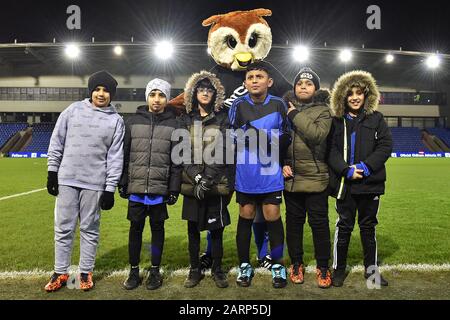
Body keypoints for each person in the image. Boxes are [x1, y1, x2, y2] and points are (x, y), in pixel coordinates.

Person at [45, 70, 124, 292]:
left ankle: (85, 272)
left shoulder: (116, 121)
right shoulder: (72, 110)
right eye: (97, 89)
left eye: (106, 90)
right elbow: (56, 141)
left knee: (90, 229)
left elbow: (115, 157)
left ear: (112, 95)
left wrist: (110, 189)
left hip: (95, 184)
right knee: (63, 228)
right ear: (90, 91)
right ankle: (60, 272)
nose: (101, 94)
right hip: (67, 179)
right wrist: (52, 172)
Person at [328, 70, 392, 287]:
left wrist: (364, 168)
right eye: (350, 94)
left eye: (359, 93)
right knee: (344, 227)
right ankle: (338, 270)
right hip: (345, 185)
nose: (354, 97)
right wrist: (346, 170)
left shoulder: (377, 118)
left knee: (368, 228)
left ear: (366, 95)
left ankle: (371, 271)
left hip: (370, 184)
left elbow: (385, 147)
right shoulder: (337, 121)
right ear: (343, 97)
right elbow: (331, 150)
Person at [229, 61, 291, 288]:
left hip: (270, 170)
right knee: (245, 216)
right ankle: (244, 266)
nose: (254, 80)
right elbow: (232, 135)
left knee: (273, 216)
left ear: (269, 81)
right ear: (245, 83)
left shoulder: (278, 104)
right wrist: (264, 138)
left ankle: (278, 266)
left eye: (259, 76)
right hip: (246, 171)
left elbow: (287, 136)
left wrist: (259, 137)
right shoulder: (237, 105)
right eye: (250, 77)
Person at [119, 79, 181, 290]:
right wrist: (123, 181)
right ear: (147, 96)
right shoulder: (132, 121)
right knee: (135, 229)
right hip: (136, 188)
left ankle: (155, 270)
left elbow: (177, 160)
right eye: (153, 94)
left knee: (157, 230)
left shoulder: (174, 124)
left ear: (167, 98)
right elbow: (124, 155)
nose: (157, 99)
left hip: (159, 189)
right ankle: (134, 270)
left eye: (161, 95)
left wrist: (173, 188)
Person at [179, 71, 233, 289]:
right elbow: (182, 151)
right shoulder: (185, 119)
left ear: (215, 94)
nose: (205, 93)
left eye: (209, 90)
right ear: (194, 93)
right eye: (201, 90)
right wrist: (197, 177)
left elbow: (225, 150)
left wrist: (208, 178)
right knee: (192, 229)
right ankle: (194, 270)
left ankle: (217, 270)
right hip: (193, 184)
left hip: (215, 184)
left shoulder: (222, 119)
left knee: (216, 230)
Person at [282, 67, 333, 288]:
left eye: (309, 83)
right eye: (300, 83)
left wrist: (294, 114)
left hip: (316, 179)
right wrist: (281, 163)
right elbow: (278, 140)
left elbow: (316, 135)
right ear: (294, 87)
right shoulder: (282, 109)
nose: (303, 86)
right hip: (291, 179)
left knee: (319, 225)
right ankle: (296, 264)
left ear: (316, 88)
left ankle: (323, 266)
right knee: (293, 226)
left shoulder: (323, 111)